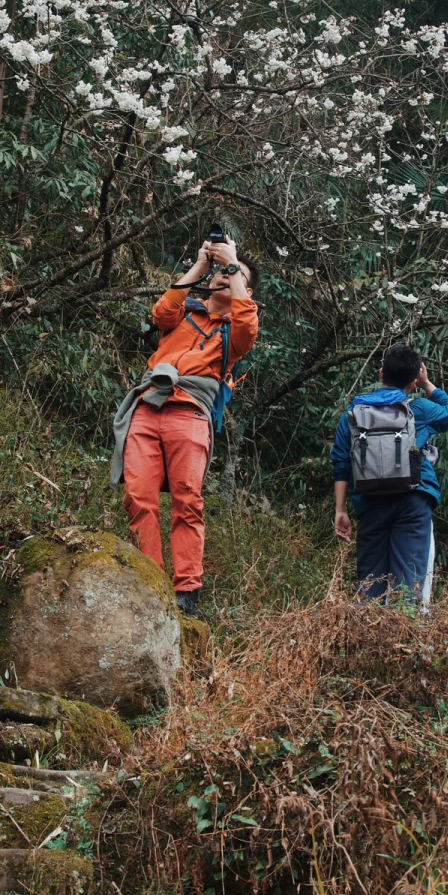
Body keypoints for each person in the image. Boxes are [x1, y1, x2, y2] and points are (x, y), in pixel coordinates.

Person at [110, 235, 258, 617]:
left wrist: (232, 264)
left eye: (234, 274)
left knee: (187, 500)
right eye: (222, 272)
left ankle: (186, 592)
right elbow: (160, 312)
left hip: (191, 413)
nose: (224, 276)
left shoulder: (235, 331)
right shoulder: (185, 312)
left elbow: (248, 323)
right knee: (138, 497)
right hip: (147, 406)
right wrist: (200, 266)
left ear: (245, 287)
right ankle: (150, 581)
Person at [331, 344, 448, 604]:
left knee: (370, 581)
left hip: (371, 500)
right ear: (413, 382)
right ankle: (405, 638)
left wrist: (340, 510)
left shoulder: (353, 415)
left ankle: (367, 638)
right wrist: (427, 384)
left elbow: (341, 463)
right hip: (413, 499)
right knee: (408, 578)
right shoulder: (420, 409)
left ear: (381, 374)